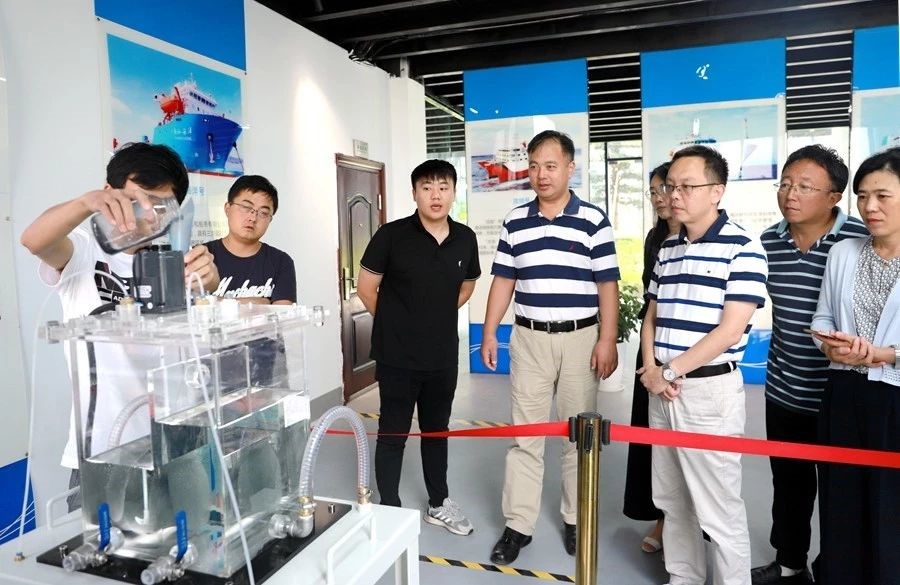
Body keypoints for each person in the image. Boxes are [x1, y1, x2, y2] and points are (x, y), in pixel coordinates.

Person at [19, 142, 219, 508]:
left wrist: (209, 281)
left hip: (179, 444)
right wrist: (85, 203)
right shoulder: (83, 251)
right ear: (109, 193)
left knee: (191, 536)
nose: (149, 216)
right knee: (99, 542)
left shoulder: (175, 258)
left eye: (162, 206)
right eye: (138, 201)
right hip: (105, 449)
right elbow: (34, 239)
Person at [481, 130, 620, 564]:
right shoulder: (515, 221)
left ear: (570, 168)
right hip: (530, 339)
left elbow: (607, 284)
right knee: (526, 436)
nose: (541, 174)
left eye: (551, 165)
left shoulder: (593, 220)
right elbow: (504, 280)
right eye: (534, 166)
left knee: (579, 436)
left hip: (581, 339)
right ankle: (518, 525)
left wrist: (607, 339)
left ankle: (576, 519)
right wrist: (490, 332)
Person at [639, 145, 768, 585]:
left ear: (717, 190)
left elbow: (730, 331)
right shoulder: (669, 247)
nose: (674, 195)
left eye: (687, 186)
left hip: (708, 394)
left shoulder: (743, 247)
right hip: (663, 389)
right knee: (671, 499)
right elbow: (651, 316)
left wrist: (669, 371)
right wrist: (652, 369)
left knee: (718, 509)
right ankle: (684, 577)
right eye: (670, 186)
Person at [752, 146, 867, 585]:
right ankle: (789, 564)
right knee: (789, 484)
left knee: (842, 490)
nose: (790, 194)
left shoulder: (859, 241)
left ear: (834, 196)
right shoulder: (768, 242)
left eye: (804, 186)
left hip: (839, 393)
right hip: (784, 388)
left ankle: (835, 569)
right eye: (785, 183)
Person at [357, 159, 480, 535]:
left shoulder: (465, 238)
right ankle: (389, 508)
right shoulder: (391, 236)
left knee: (436, 432)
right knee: (393, 432)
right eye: (427, 187)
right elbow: (366, 288)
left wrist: (433, 314)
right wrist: (399, 322)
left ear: (454, 192)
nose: (435, 195)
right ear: (414, 193)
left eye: (443, 187)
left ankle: (439, 503)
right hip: (396, 357)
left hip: (442, 356)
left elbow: (467, 285)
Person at [810, 147, 900, 585]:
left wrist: (885, 355)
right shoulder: (844, 252)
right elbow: (823, 318)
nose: (869, 207)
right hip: (844, 394)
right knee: (842, 498)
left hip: (895, 399)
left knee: (890, 505)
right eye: (862, 196)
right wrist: (831, 347)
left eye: (883, 196)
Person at [623, 162, 676, 555]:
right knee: (653, 441)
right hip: (652, 347)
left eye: (666, 189)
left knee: (685, 447)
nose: (659, 198)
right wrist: (649, 360)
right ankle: (661, 520)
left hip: (689, 352)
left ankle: (686, 527)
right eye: (653, 191)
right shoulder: (655, 239)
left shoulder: (706, 238)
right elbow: (649, 302)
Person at [205, 175, 296, 304]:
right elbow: (191, 307)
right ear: (227, 209)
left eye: (263, 213)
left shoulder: (281, 261)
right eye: (246, 207)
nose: (252, 218)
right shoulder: (203, 256)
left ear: (270, 219)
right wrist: (262, 302)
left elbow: (283, 312)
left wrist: (218, 302)